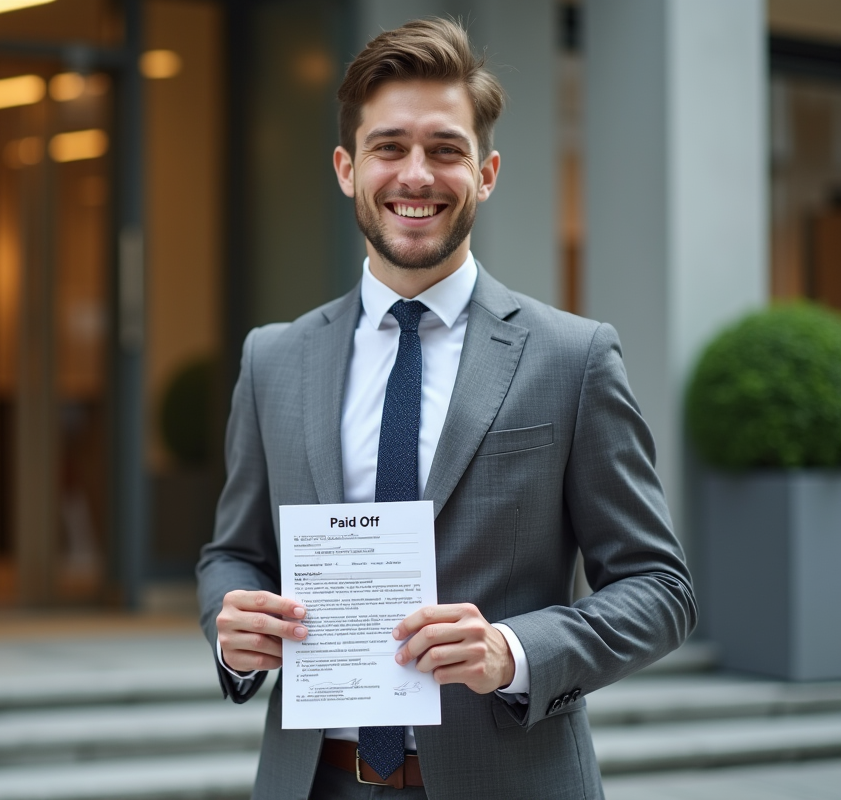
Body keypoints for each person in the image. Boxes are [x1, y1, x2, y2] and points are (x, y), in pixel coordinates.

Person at [197, 18, 696, 799]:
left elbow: (659, 588)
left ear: (487, 172)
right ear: (346, 168)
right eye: (389, 147)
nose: (416, 175)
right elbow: (232, 552)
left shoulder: (574, 356)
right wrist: (232, 632)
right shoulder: (274, 359)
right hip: (315, 781)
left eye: (446, 149)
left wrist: (513, 649)